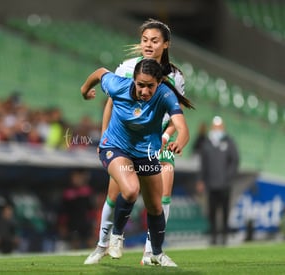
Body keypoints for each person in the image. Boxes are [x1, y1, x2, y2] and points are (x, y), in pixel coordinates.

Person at [84, 18, 187, 265]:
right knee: (119, 190)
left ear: (166, 44)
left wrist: (167, 136)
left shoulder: (175, 77)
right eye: (145, 40)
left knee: (162, 194)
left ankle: (152, 253)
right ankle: (103, 244)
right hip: (124, 137)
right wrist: (104, 133)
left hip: (157, 139)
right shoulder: (128, 68)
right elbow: (112, 101)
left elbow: (177, 117)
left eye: (154, 40)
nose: (149, 45)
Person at [196, 116, 239, 245]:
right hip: (211, 183)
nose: (217, 130)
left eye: (219, 128)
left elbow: (235, 160)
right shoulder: (207, 144)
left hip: (225, 184)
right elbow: (203, 164)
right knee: (212, 211)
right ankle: (214, 236)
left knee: (225, 210)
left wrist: (228, 177)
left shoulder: (229, 142)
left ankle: (224, 235)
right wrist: (201, 180)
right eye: (215, 127)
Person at [57, 169, 96, 249]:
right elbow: (63, 211)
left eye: (80, 177)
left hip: (85, 222)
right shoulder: (67, 192)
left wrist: (93, 223)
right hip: (72, 223)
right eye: (76, 177)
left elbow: (91, 209)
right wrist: (62, 225)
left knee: (90, 241)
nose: (78, 179)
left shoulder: (87, 191)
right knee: (75, 242)